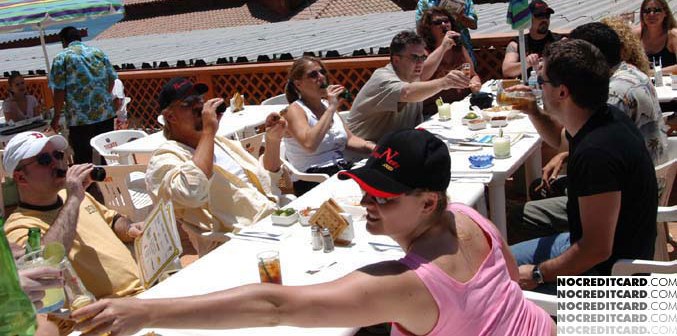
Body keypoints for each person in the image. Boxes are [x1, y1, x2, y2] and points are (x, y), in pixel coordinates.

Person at [73, 129, 555, 336]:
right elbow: (511, 281)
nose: (365, 203)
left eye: (381, 198)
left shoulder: (409, 283)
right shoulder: (474, 220)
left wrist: (141, 311)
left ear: (428, 202)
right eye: (366, 188)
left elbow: (275, 305)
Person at [510, 39, 658, 294]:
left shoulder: (596, 154)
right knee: (501, 265)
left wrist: (537, 274)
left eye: (540, 82)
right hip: (600, 252)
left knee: (501, 291)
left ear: (562, 92)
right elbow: (559, 139)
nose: (537, 88)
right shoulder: (603, 118)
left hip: (615, 284)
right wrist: (533, 111)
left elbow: (596, 249)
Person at [517, 22, 667, 237]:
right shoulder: (630, 73)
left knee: (519, 213)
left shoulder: (613, 94)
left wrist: (539, 272)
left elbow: (570, 143)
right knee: (540, 187)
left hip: (627, 200)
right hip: (643, 180)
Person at [145, 78, 290, 256]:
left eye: (199, 100)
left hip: (273, 219)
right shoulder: (165, 158)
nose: (198, 107)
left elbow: (276, 185)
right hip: (239, 242)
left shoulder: (220, 143)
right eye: (188, 104)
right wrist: (208, 132)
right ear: (170, 117)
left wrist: (273, 141)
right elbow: (192, 193)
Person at [2, 131, 144, 299]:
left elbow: (112, 220)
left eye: (58, 155)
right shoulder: (19, 225)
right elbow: (46, 265)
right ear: (21, 178)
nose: (57, 163)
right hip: (112, 309)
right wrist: (74, 198)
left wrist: (128, 229)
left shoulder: (72, 197)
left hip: (144, 285)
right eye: (44, 160)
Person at [346, 31, 469, 142]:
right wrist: (444, 82)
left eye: (423, 57)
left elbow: (425, 69)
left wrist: (443, 47)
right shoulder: (383, 79)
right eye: (415, 57)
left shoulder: (410, 73)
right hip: (364, 155)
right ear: (396, 60)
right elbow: (407, 93)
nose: (420, 63)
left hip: (396, 148)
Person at [283, 57, 375, 196]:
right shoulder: (294, 110)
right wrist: (332, 107)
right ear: (298, 84)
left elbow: (349, 139)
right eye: (313, 75)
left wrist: (375, 148)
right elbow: (309, 144)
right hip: (313, 179)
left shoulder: (326, 106)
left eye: (322, 73)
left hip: (340, 169)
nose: (321, 77)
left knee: (388, 171)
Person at [48, 27, 118, 164]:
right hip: (105, 113)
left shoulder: (61, 58)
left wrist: (56, 117)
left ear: (64, 41)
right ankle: (107, 183)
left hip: (79, 118)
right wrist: (102, 97)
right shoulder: (98, 53)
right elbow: (112, 79)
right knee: (105, 153)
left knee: (83, 156)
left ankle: (88, 185)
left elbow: (59, 90)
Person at [417, 7, 482, 116]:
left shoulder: (459, 48)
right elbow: (421, 76)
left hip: (463, 106)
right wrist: (443, 47)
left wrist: (476, 86)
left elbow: (472, 75)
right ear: (428, 28)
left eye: (446, 21)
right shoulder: (423, 51)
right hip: (435, 111)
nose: (443, 25)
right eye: (437, 22)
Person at [415, 0, 478, 65]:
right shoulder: (425, 1)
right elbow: (420, 28)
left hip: (462, 52)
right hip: (436, 55)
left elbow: (474, 25)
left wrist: (461, 17)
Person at [502, 0, 563, 78]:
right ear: (528, 19)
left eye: (547, 15)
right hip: (526, 88)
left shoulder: (560, 41)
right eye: (539, 16)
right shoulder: (517, 43)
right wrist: (526, 63)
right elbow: (507, 71)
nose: (544, 19)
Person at [634, 0, 677, 74]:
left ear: (665, 13)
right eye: (647, 11)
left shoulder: (673, 35)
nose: (651, 14)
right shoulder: (635, 35)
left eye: (657, 10)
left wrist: (653, 72)